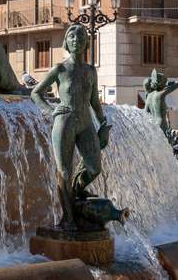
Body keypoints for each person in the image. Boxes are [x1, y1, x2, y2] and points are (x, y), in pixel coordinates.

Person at [31, 25, 110, 231]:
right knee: (64, 171)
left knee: (94, 168)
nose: (76, 39)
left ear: (86, 43)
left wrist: (103, 123)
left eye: (81, 36)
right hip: (64, 122)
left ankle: (74, 192)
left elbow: (95, 101)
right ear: (66, 42)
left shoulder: (90, 71)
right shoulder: (60, 69)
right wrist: (52, 111)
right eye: (72, 36)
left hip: (85, 122)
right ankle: (68, 217)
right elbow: (35, 93)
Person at [143, 70, 178, 135]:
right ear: (161, 84)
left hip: (152, 123)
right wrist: (166, 84)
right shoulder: (161, 93)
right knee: (167, 143)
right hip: (161, 122)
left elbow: (145, 112)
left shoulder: (149, 96)